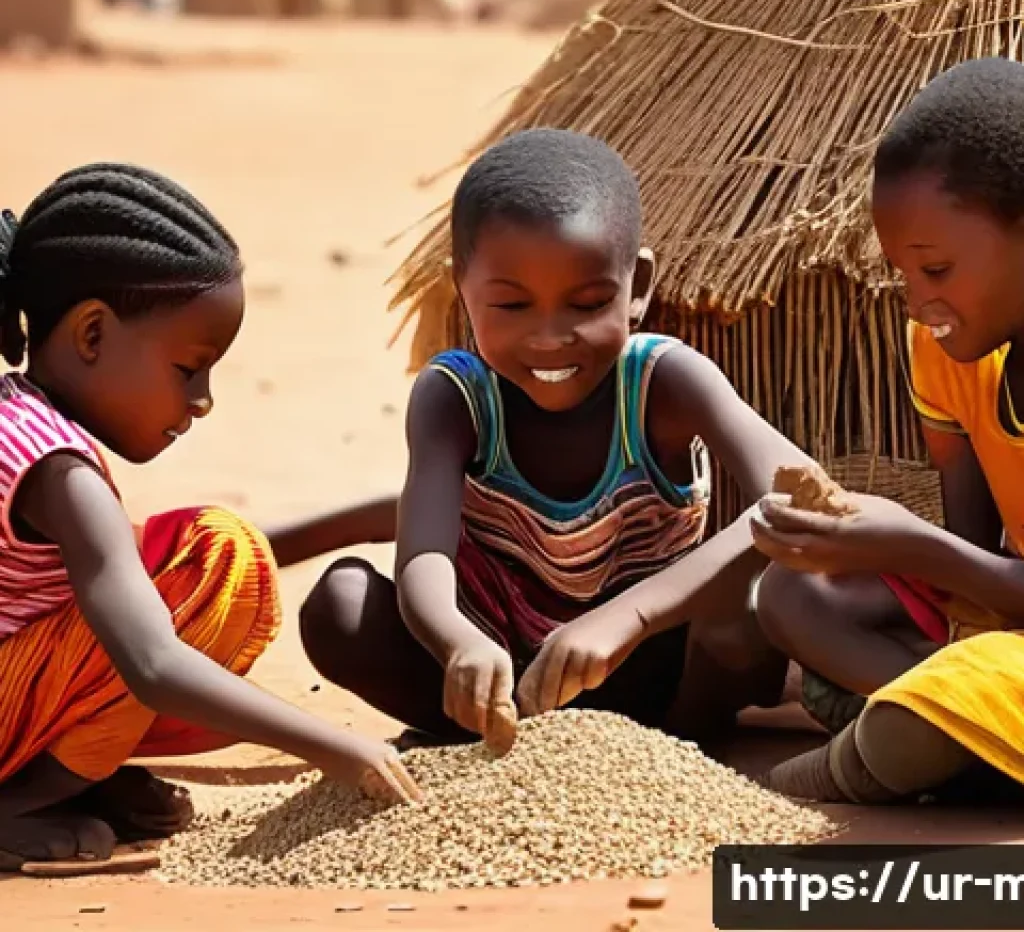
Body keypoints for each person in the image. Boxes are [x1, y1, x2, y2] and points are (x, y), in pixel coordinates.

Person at [300, 128, 818, 748]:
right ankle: (486, 734)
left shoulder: (662, 382)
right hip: (509, 672)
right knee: (342, 603)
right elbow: (423, 555)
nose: (550, 337)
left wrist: (629, 616)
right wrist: (458, 640)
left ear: (639, 287)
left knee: (749, 608)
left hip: (655, 674)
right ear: (461, 288)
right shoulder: (454, 398)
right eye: (512, 307)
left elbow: (797, 496)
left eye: (587, 303)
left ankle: (683, 752)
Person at [0, 164, 419, 873]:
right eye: (188, 368)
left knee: (205, 559)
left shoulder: (22, 427)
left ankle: (60, 782)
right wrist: (336, 747)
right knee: (214, 560)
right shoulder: (61, 476)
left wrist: (371, 520)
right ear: (93, 334)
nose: (202, 400)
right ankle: (15, 807)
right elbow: (153, 660)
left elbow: (132, 577)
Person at [752, 57, 1024, 802]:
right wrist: (869, 543)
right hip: (1004, 638)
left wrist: (907, 541)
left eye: (934, 269)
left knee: (935, 711)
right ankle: (957, 730)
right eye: (903, 273)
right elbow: (977, 569)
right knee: (792, 594)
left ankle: (913, 739)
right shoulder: (949, 356)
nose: (916, 302)